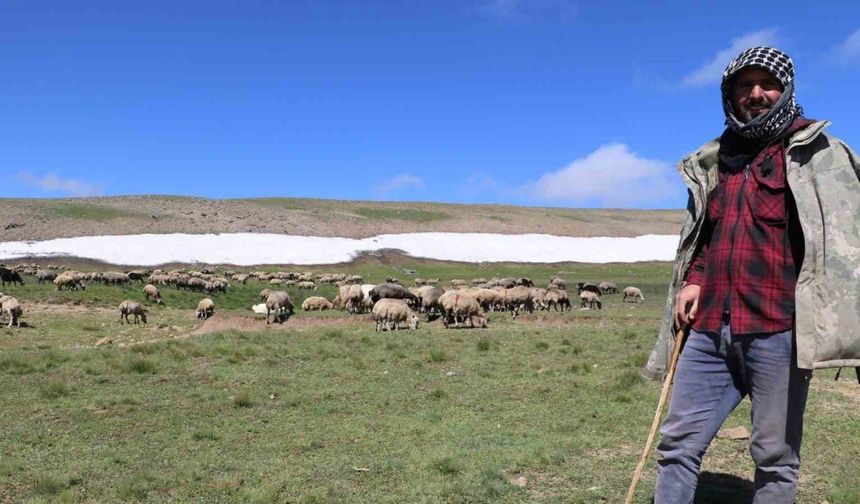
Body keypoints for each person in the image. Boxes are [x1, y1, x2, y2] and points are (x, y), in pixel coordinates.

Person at [645, 46, 860, 503]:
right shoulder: (717, 158)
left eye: (768, 84)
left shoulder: (818, 154)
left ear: (786, 89)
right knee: (677, 445)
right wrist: (696, 277)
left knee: (775, 458)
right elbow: (705, 234)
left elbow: (845, 242)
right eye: (745, 86)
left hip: (779, 331)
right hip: (708, 330)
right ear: (731, 94)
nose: (757, 94)